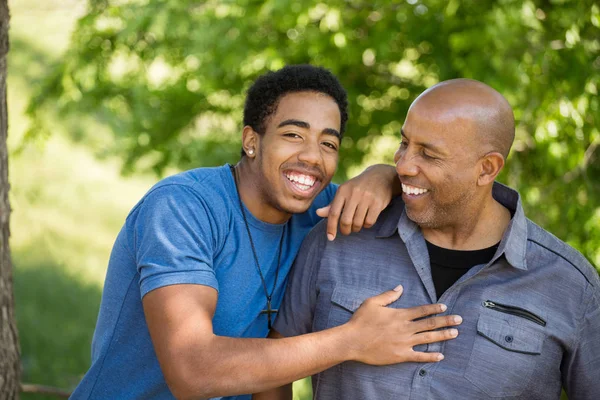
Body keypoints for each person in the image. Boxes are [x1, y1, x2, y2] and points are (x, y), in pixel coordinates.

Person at [70, 65, 463, 400]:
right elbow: (192, 370)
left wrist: (385, 176)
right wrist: (352, 340)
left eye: (328, 143)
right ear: (251, 141)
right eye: (293, 134)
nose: (312, 156)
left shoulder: (322, 212)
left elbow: (410, 188)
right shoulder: (183, 207)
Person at [257, 79, 600, 400]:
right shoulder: (339, 237)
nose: (403, 165)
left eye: (428, 154)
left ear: (487, 168)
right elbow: (272, 370)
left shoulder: (572, 286)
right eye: (404, 143)